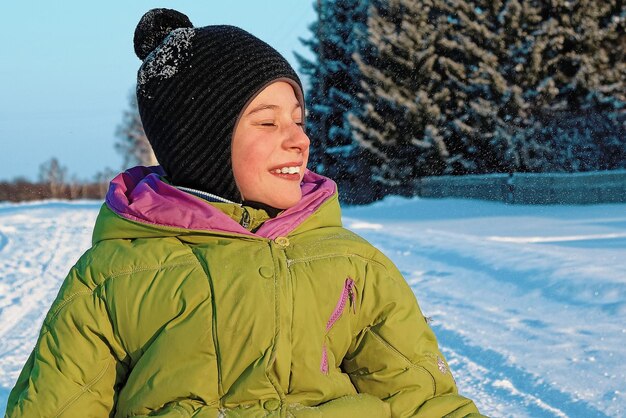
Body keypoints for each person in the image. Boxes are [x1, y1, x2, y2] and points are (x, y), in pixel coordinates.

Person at [5, 9, 483, 418]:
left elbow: (424, 402)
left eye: (298, 119)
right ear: (202, 143)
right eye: (268, 122)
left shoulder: (353, 266)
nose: (298, 138)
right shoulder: (113, 279)